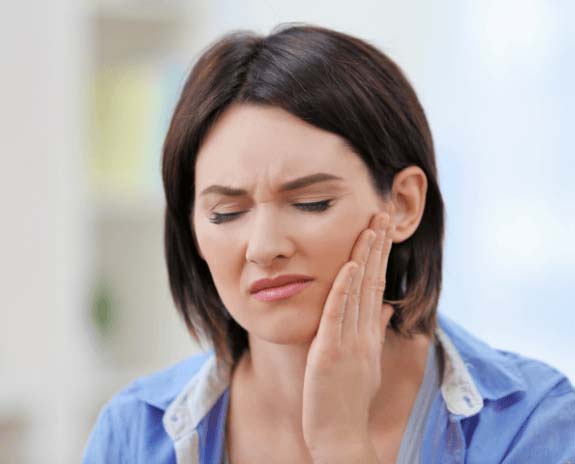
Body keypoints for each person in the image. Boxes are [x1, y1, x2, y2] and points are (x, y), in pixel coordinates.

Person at [82, 23, 575, 464]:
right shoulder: (134, 435)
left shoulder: (530, 424)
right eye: (226, 213)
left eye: (311, 202)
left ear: (402, 204)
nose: (263, 247)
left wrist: (342, 442)